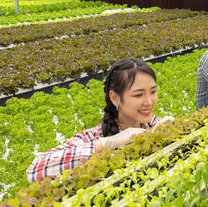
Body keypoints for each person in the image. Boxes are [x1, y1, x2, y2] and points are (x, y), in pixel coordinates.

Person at [26, 57, 173, 183]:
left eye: (153, 91)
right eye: (138, 95)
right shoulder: (95, 136)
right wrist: (109, 143)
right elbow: (34, 170)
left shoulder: (154, 125)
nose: (149, 101)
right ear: (115, 98)